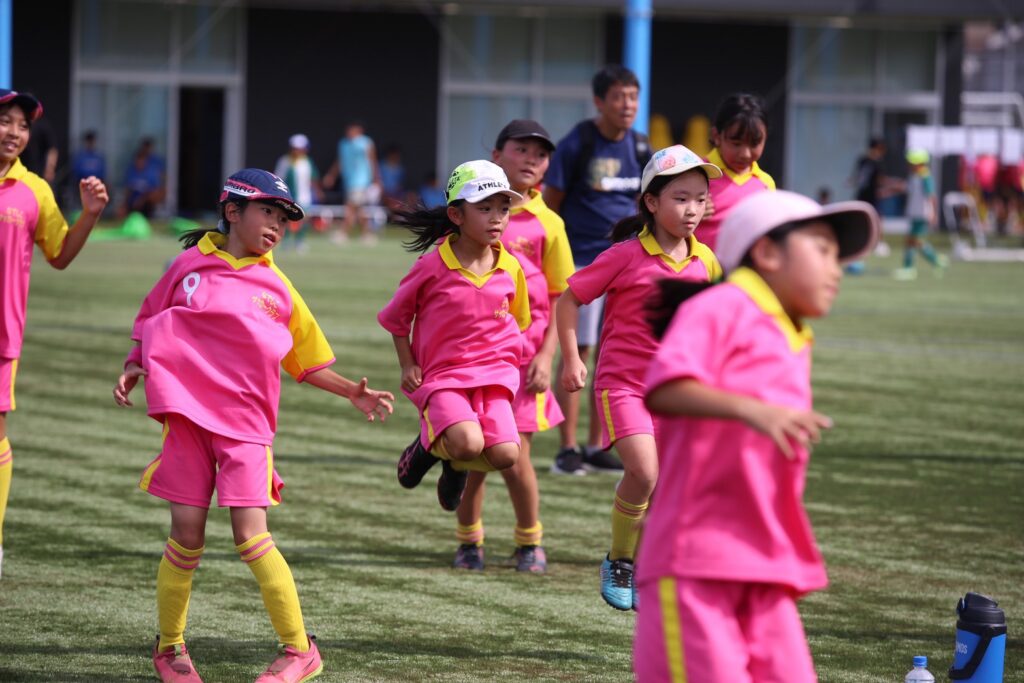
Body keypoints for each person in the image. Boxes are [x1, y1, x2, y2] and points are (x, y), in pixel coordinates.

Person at [113, 168, 393, 683]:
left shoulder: (279, 287)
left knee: (250, 536)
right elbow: (150, 317)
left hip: (246, 428)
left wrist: (351, 391)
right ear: (232, 211)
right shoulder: (188, 266)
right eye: (268, 212)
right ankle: (170, 647)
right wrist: (135, 363)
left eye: (284, 219)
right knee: (186, 535)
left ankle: (300, 650)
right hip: (187, 421)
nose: (277, 226)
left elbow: (306, 361)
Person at [636, 190, 879, 682]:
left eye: (838, 257)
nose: (836, 270)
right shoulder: (725, 305)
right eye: (823, 250)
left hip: (765, 562)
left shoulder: (793, 333)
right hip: (695, 562)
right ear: (767, 252)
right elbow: (663, 386)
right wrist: (754, 411)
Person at [556, 145, 722, 609]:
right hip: (623, 386)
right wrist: (571, 359)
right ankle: (620, 560)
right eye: (680, 198)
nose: (692, 209)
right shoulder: (625, 256)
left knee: (670, 486)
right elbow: (568, 300)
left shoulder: (707, 262)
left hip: (677, 394)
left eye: (700, 199)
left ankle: (648, 569)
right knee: (644, 472)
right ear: (651, 201)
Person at [452, 121, 573, 573]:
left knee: (515, 457)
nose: (531, 160)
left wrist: (547, 356)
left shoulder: (550, 223)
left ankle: (529, 541)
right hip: (474, 361)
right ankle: (469, 541)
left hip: (522, 363)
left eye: (540, 155)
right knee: (473, 458)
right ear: (497, 154)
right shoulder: (468, 212)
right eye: (521, 150)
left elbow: (561, 297)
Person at [379, 160, 530, 513]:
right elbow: (396, 318)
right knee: (467, 442)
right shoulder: (431, 267)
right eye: (485, 208)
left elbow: (518, 320)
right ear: (456, 215)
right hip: (444, 377)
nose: (497, 218)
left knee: (508, 454)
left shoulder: (511, 267)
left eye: (503, 208)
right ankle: (429, 449)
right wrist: (407, 365)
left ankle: (454, 464)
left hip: (494, 378)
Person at [0, 89, 109, 579]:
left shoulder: (35, 191)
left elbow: (60, 255)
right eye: (6, 121)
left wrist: (90, 214)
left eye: (23, 125)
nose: (14, 132)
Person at [543, 64, 651, 475]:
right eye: (619, 97)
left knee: (612, 353)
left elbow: (647, 202)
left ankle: (595, 446)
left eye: (633, 97)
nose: (628, 105)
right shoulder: (578, 143)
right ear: (599, 102)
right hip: (584, 260)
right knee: (580, 351)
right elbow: (552, 202)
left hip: (628, 264)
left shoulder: (641, 147)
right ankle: (567, 449)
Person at [697, 93, 775, 252]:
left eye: (754, 144)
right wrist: (689, 212)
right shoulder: (695, 173)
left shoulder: (766, 183)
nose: (745, 154)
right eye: (736, 143)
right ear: (716, 136)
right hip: (700, 266)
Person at [323, 123, 381, 244]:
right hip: (348, 181)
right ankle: (367, 234)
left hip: (361, 180)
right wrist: (332, 175)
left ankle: (344, 233)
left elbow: (373, 160)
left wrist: (376, 179)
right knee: (359, 209)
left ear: (359, 130)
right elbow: (340, 161)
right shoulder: (343, 143)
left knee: (350, 207)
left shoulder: (366, 142)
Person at [894, 149, 947, 280]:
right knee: (913, 241)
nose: (910, 165)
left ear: (920, 163)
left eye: (913, 163)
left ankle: (914, 267)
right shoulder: (914, 176)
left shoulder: (925, 176)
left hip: (922, 214)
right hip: (914, 213)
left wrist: (933, 213)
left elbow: (932, 196)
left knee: (914, 241)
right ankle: (935, 261)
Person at [274, 134, 322, 252]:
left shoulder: (307, 162)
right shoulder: (285, 161)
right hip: (288, 196)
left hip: (304, 196)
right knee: (286, 218)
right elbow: (278, 178)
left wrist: (317, 191)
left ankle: (300, 241)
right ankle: (285, 241)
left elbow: (313, 178)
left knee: (303, 219)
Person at [121, 137, 166, 218]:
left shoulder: (151, 173)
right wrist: (124, 203)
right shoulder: (131, 171)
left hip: (145, 201)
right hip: (133, 200)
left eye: (141, 161)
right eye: (138, 160)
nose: (139, 163)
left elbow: (154, 191)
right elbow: (128, 189)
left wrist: (141, 200)